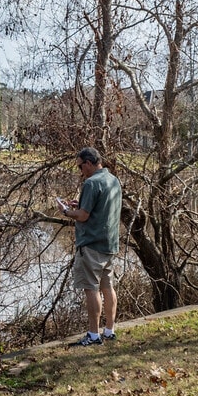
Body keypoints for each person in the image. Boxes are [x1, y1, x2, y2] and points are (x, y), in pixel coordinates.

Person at [56, 147, 122, 346]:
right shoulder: (113, 179)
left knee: (91, 288)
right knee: (108, 287)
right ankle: (109, 331)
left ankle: (93, 335)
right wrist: (81, 204)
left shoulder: (91, 183)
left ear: (89, 162)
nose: (80, 170)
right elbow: (99, 208)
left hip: (92, 245)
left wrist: (66, 211)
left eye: (80, 166)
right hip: (109, 244)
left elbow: (83, 216)